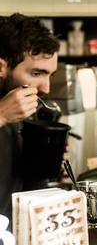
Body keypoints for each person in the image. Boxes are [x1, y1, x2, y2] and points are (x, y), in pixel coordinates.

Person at [0, 13, 60, 223]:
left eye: (49, 75)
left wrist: (44, 162)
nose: (46, 88)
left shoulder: (22, 108)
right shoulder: (7, 109)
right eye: (36, 74)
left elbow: (24, 193)